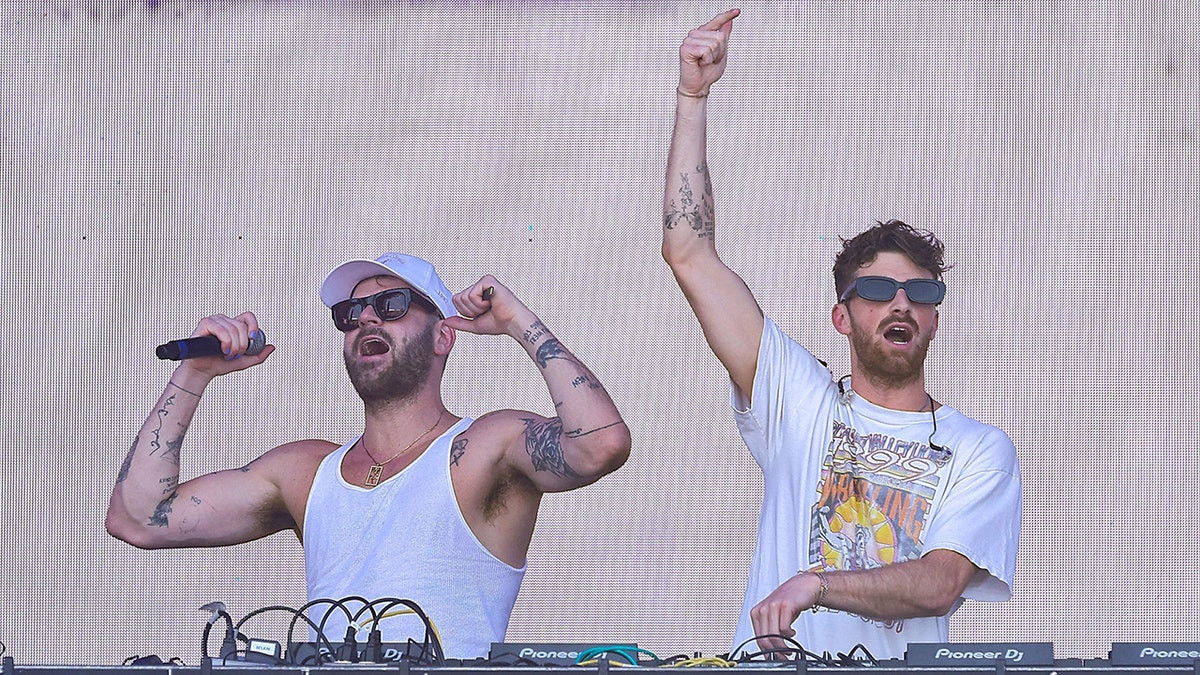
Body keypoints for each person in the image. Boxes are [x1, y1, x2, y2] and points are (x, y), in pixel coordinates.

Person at [662, 10, 1021, 660]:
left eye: (922, 291)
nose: (901, 303)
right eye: (879, 291)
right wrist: (693, 96)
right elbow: (688, 252)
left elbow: (941, 583)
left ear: (936, 316)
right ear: (842, 316)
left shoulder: (980, 449)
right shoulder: (797, 402)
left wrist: (816, 584)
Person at [105, 252, 631, 659]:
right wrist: (194, 374)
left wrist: (519, 322)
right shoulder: (306, 472)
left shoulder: (483, 448)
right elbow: (138, 519)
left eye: (392, 306)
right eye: (350, 314)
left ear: (444, 335)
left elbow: (599, 443)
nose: (366, 320)